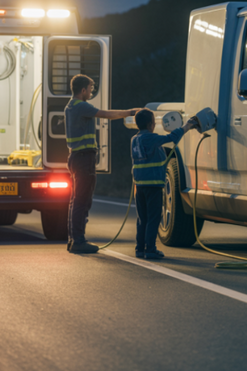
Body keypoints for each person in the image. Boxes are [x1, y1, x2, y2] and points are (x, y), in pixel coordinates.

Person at [65, 74, 139, 254]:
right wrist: (130, 112)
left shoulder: (70, 106)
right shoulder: (82, 106)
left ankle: (73, 239)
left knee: (76, 200)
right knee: (82, 200)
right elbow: (106, 114)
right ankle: (78, 241)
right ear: (83, 90)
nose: (91, 92)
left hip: (76, 157)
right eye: (90, 89)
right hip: (84, 158)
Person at [130, 109, 198, 259]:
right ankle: (150, 249)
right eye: (154, 122)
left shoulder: (134, 139)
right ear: (150, 124)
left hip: (139, 186)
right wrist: (187, 126)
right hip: (153, 185)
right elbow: (171, 137)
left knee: (142, 219)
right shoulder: (151, 138)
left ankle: (140, 249)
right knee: (154, 218)